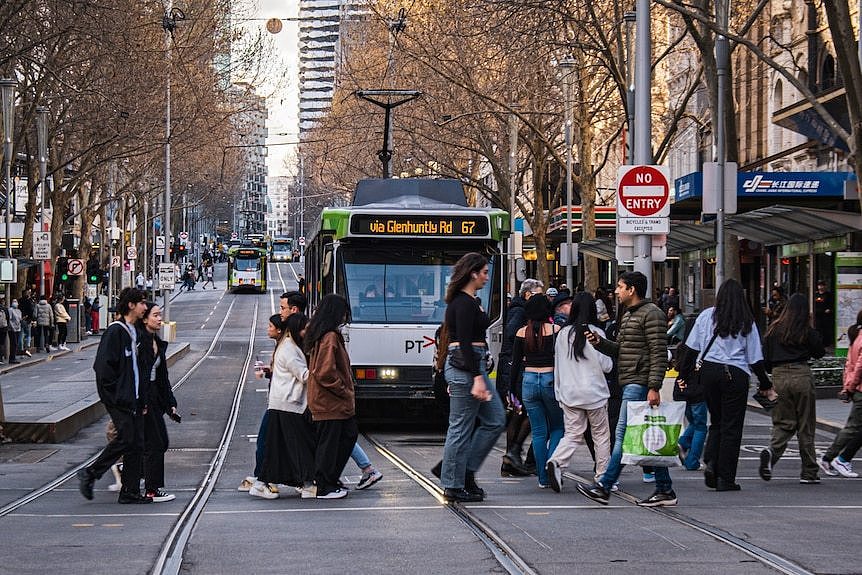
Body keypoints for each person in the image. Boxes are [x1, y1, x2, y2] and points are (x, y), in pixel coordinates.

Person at [577, 271, 675, 507]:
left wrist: (654, 386)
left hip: (639, 382)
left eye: (620, 287)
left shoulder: (652, 314)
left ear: (632, 290)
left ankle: (604, 486)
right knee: (645, 437)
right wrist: (600, 344)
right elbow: (622, 350)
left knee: (622, 436)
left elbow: (658, 352)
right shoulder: (631, 315)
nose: (616, 291)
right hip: (631, 380)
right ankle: (664, 489)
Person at [683, 278, 776, 491]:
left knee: (715, 421)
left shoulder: (707, 316)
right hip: (735, 374)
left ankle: (711, 462)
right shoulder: (746, 321)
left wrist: (684, 375)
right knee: (731, 427)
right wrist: (765, 382)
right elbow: (755, 359)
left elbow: (691, 348)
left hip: (709, 371)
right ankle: (725, 477)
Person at [439, 253, 505, 502]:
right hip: (466, 366)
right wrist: (477, 376)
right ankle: (453, 483)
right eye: (485, 272)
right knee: (460, 426)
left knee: (495, 419)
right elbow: (463, 342)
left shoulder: (471, 301)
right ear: (472, 273)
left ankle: (465, 471)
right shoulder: (463, 303)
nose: (487, 277)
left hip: (471, 364)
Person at [77, 287, 152, 504]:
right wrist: (113, 396)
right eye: (142, 303)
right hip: (121, 399)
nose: (144, 308)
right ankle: (90, 473)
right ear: (131, 305)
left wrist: (142, 398)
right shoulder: (115, 331)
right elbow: (103, 368)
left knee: (136, 443)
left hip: (134, 398)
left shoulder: (134, 331)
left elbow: (138, 369)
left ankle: (130, 491)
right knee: (127, 438)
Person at [238, 293, 307, 492]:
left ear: (293, 310)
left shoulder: (290, 343)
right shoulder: (288, 343)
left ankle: (265, 479)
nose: (280, 311)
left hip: (288, 401)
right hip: (285, 401)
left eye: (282, 307)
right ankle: (267, 478)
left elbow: (301, 372)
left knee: (272, 442)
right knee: (272, 441)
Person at [546, 292, 613, 493]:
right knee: (600, 436)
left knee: (573, 434)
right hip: (595, 393)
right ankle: (602, 475)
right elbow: (607, 365)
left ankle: (557, 461)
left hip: (569, 392)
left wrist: (559, 392)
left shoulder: (563, 334)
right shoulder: (596, 333)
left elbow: (557, 365)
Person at [760, 293, 826, 483]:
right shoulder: (806, 330)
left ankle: (772, 453)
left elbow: (765, 360)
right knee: (806, 424)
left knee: (783, 422)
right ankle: (809, 472)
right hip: (802, 374)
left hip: (779, 376)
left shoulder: (774, 329)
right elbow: (820, 352)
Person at [252, 313, 317, 499]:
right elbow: (303, 375)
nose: (306, 332)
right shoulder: (290, 348)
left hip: (284, 403)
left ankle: (269, 482)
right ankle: (303, 484)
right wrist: (322, 370)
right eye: (304, 329)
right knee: (300, 446)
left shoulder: (288, 345)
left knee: (281, 447)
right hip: (289, 403)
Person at [304, 294, 358, 499]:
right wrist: (343, 389)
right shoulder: (330, 337)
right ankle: (325, 485)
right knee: (332, 443)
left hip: (329, 401)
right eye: (343, 312)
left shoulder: (322, 334)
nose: (345, 316)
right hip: (330, 401)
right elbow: (325, 372)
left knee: (345, 436)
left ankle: (330, 479)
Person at [511, 295, 563, 488]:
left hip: (529, 382)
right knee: (558, 427)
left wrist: (511, 391)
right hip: (551, 381)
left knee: (539, 432)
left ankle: (542, 478)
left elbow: (515, 364)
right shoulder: (556, 330)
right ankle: (553, 461)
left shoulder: (521, 332)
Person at [496, 278, 543, 477]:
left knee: (520, 412)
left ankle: (511, 458)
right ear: (527, 295)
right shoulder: (520, 311)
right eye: (538, 294)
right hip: (513, 367)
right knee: (523, 411)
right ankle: (512, 455)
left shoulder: (521, 310)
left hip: (513, 366)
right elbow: (511, 334)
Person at [138, 302, 180, 502]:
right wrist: (141, 401)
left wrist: (170, 403)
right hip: (143, 399)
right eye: (155, 315)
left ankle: (137, 474)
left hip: (154, 398)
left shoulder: (156, 341)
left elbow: (162, 377)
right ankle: (151, 489)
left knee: (159, 442)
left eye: (160, 314)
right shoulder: (139, 342)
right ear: (145, 318)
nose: (159, 318)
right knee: (154, 443)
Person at [819, 310, 862, 478]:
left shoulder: (856, 337)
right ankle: (832, 458)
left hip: (856, 388)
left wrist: (847, 387)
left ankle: (839, 458)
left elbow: (848, 366)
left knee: (854, 428)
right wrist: (850, 388)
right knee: (852, 428)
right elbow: (859, 366)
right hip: (860, 389)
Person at [813, 280, 834, 348]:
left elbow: (832, 305)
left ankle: (826, 344)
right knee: (818, 330)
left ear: (825, 286)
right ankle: (818, 343)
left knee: (826, 330)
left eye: (822, 285)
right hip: (817, 315)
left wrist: (830, 310)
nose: (820, 287)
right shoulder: (815, 294)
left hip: (826, 316)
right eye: (819, 285)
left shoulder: (829, 295)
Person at [19, 289, 34, 357]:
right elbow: (31, 311)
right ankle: (27, 348)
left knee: (21, 335)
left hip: (20, 320)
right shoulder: (29, 301)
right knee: (28, 335)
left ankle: (21, 350)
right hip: (27, 320)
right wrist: (30, 319)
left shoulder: (19, 301)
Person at [7, 300, 21, 364]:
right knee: (14, 343)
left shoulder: (19, 311)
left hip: (18, 329)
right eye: (14, 301)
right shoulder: (10, 310)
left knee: (16, 344)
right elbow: (9, 320)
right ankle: (11, 358)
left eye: (16, 301)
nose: (15, 303)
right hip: (12, 330)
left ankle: (14, 357)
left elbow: (19, 320)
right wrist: (12, 327)